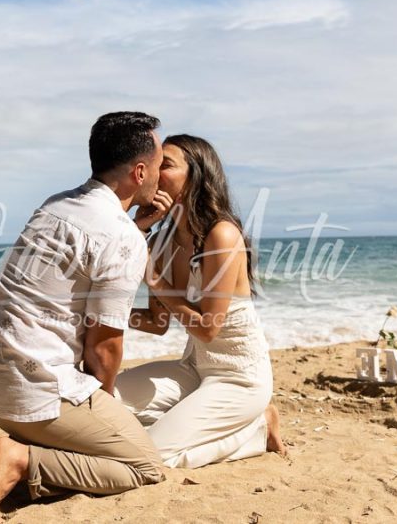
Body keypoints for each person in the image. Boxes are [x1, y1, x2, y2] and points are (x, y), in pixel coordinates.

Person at [0, 112, 174, 524]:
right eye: (159, 165)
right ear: (140, 170)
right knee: (145, 467)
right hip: (29, 395)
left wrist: (139, 227)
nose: (161, 178)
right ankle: (22, 459)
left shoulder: (56, 204)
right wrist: (104, 400)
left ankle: (30, 446)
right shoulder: (121, 237)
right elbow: (104, 345)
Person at [117, 134, 287, 469]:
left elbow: (209, 330)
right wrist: (96, 314)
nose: (152, 170)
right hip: (193, 368)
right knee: (102, 404)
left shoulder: (221, 235)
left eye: (164, 164)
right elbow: (156, 322)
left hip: (239, 378)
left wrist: (152, 275)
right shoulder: (163, 240)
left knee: (152, 456)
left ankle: (257, 429)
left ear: (195, 175)